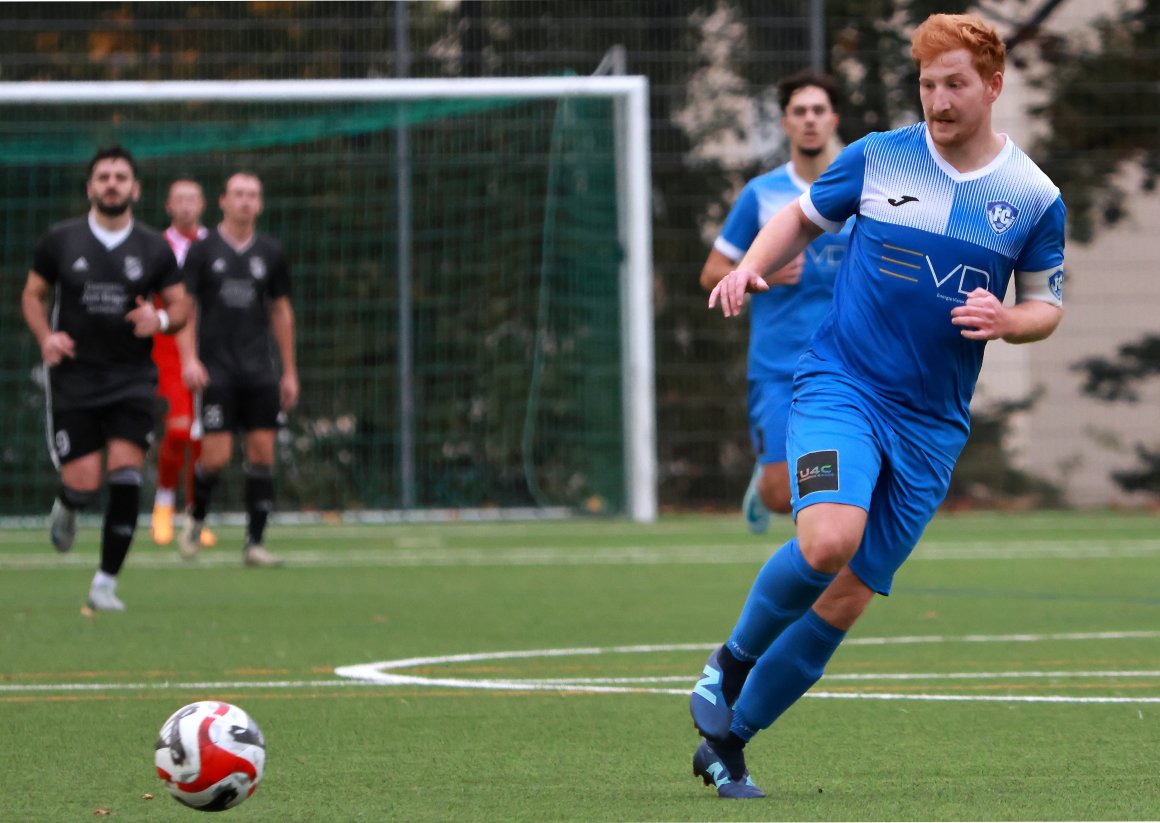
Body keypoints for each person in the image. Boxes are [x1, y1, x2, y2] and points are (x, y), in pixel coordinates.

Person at [690, 13, 1066, 799]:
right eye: (927, 84)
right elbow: (798, 215)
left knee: (849, 594)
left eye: (954, 83)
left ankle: (731, 739)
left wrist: (1008, 321)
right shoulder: (880, 156)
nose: (937, 99)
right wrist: (750, 268)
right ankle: (728, 661)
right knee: (828, 539)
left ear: (993, 86)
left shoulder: (1032, 196)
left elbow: (1046, 306)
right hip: (841, 385)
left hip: (931, 425)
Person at [21, 145, 189, 612]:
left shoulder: (154, 247)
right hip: (74, 378)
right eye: (103, 177)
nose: (111, 184)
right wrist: (46, 337)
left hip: (131, 377)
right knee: (82, 482)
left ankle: (105, 582)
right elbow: (33, 296)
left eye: (120, 177)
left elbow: (180, 306)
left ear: (135, 188)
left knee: (127, 473)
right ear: (90, 187)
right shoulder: (60, 240)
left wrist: (158, 319)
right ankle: (69, 507)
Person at [700, 71, 851, 534]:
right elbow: (711, 273)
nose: (809, 120)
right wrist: (757, 271)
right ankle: (764, 488)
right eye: (799, 112)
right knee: (783, 493)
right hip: (777, 364)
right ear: (785, 123)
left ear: (833, 120)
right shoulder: (760, 194)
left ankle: (823, 567)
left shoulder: (858, 191)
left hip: (844, 364)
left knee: (826, 487)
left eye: (818, 111)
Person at [177, 171, 298, 567]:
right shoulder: (202, 250)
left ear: (259, 204)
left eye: (253, 195)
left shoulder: (271, 252)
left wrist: (289, 370)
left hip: (260, 369)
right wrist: (189, 359)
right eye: (239, 194)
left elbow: (281, 310)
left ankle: (255, 544)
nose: (246, 201)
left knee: (263, 451)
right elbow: (186, 308)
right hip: (216, 370)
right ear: (223, 200)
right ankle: (195, 520)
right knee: (216, 457)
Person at [150, 177, 217, 548]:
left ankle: (195, 516)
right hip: (168, 349)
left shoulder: (214, 247)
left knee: (203, 437)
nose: (187, 206)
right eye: (180, 200)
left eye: (193, 199)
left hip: (211, 347)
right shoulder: (155, 247)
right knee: (178, 430)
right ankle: (163, 504)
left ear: (203, 204)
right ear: (168, 206)